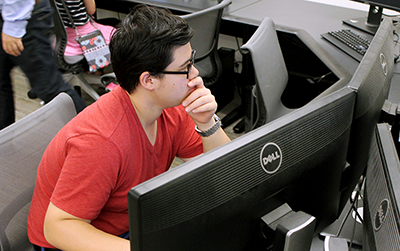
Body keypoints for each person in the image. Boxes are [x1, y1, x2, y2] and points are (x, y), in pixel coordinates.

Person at [27, 4, 231, 251]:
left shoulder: (172, 106)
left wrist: (207, 122)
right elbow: (59, 228)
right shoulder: (101, 141)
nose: (195, 73)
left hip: (130, 220)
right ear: (149, 80)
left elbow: (225, 174)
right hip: (73, 241)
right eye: (184, 68)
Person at [0, 0, 86, 130]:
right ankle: (4, 144)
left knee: (49, 88)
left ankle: (96, 133)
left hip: (20, 17)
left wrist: (13, 26)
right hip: (11, 17)